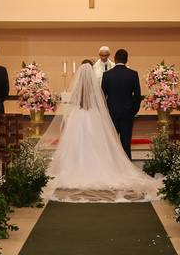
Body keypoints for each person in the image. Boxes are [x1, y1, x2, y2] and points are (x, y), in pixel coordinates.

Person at [38, 63, 159, 202]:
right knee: (95, 143)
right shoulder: (94, 88)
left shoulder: (77, 88)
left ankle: (76, 168)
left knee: (76, 143)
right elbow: (101, 101)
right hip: (93, 116)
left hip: (78, 116)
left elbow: (74, 101)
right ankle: (97, 167)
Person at [101, 49, 142, 159]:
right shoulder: (133, 74)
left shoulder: (107, 75)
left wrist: (106, 111)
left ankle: (112, 164)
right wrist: (134, 111)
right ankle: (127, 163)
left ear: (114, 59)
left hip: (111, 112)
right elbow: (137, 96)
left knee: (112, 143)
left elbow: (102, 96)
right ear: (127, 60)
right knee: (126, 142)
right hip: (127, 112)